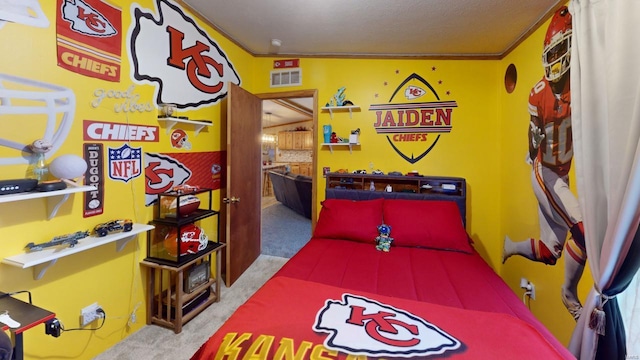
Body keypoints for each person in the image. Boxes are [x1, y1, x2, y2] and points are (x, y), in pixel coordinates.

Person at [503, 6, 587, 321]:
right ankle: (569, 296)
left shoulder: (582, 83)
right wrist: (530, 150)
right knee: (584, 232)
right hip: (545, 172)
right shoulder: (538, 93)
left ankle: (510, 246)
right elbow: (533, 131)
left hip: (559, 174)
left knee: (552, 253)